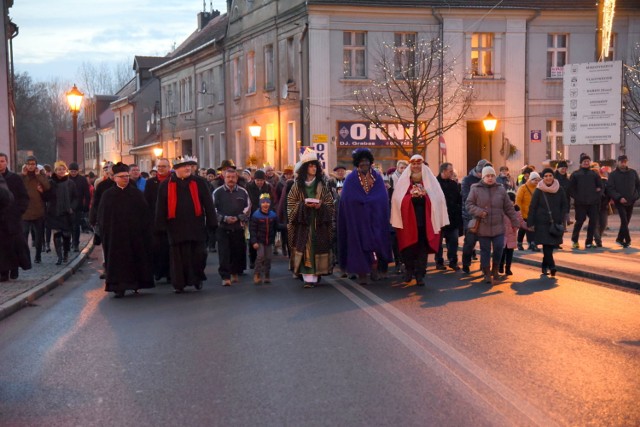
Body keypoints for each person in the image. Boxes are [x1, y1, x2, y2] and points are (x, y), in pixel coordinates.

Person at [155, 156, 218, 293]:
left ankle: (197, 278)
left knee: (199, 254)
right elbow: (161, 207)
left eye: (189, 165)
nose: (188, 168)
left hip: (196, 227)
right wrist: (160, 226)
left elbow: (208, 203)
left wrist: (212, 222)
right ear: (176, 169)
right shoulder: (166, 185)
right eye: (184, 166)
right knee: (178, 257)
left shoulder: (199, 182)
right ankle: (179, 283)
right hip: (175, 227)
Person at [98, 163, 154, 297]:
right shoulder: (108, 195)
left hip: (134, 234)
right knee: (118, 261)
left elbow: (145, 213)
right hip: (115, 235)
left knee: (136, 258)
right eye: (122, 176)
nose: (125, 179)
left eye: (127, 176)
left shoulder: (135, 193)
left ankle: (136, 283)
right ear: (115, 178)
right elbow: (103, 216)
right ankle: (118, 286)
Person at [391, 154, 449, 285]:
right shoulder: (404, 181)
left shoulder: (430, 181)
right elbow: (397, 200)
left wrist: (425, 197)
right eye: (414, 164)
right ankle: (409, 270)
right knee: (409, 248)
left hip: (424, 222)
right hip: (408, 222)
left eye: (418, 164)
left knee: (422, 249)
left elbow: (438, 198)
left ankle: (420, 274)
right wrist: (410, 198)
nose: (416, 166)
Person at [338, 148, 390, 285]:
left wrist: (370, 201)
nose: (364, 163)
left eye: (366, 161)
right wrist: (361, 202)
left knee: (375, 244)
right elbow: (346, 199)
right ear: (357, 163)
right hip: (357, 220)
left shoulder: (377, 177)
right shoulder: (350, 179)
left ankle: (374, 269)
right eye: (361, 161)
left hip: (374, 218)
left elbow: (382, 197)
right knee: (358, 246)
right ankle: (362, 273)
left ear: (370, 162)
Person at [288, 148, 335, 288]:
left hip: (319, 224)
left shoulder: (322, 185)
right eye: (310, 166)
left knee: (318, 247)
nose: (313, 168)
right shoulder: (297, 186)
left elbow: (330, 204)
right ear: (304, 169)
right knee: (305, 247)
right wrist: (303, 205)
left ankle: (317, 274)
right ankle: (306, 276)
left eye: (315, 166)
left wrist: (321, 205)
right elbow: (290, 205)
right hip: (303, 224)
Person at [465, 165, 520, 284]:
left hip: (498, 226)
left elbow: (509, 207)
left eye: (492, 176)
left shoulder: (501, 189)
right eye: (487, 176)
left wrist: (515, 221)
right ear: (483, 177)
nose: (490, 178)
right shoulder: (475, 188)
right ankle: (486, 272)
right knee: (485, 250)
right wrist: (479, 212)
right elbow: (469, 205)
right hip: (483, 226)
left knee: (499, 248)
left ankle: (495, 270)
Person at [527, 168, 569, 276]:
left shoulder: (559, 189)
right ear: (543, 178)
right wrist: (530, 223)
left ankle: (545, 264)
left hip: (555, 222)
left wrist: (562, 217)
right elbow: (533, 207)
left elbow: (565, 204)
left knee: (550, 245)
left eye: (550, 175)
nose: (548, 178)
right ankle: (552, 265)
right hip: (541, 222)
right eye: (546, 176)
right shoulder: (539, 190)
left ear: (553, 176)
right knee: (546, 244)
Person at [213, 166, 250, 286]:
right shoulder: (217, 192)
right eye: (228, 177)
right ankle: (225, 276)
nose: (231, 179)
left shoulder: (243, 191)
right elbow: (212, 209)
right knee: (224, 253)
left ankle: (234, 272)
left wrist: (239, 217)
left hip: (238, 227)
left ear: (237, 178)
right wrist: (224, 218)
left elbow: (248, 207)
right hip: (223, 227)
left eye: (233, 177)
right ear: (224, 177)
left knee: (237, 252)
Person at [0, 153, 30, 281]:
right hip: (0, 219)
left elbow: (24, 197)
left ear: (6, 162)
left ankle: (14, 268)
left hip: (13, 218)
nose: (0, 163)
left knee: (15, 245)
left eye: (2, 161)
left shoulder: (15, 178)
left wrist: (18, 211)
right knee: (2, 246)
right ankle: (3, 272)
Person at [144, 158, 172, 282]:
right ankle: (158, 271)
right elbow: (147, 201)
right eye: (159, 166)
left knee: (170, 248)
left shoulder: (173, 180)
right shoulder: (151, 182)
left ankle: (170, 272)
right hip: (155, 219)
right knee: (157, 247)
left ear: (169, 167)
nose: (161, 168)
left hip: (171, 219)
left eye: (164, 166)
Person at [461, 159, 491, 273]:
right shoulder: (467, 180)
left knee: (485, 244)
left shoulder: (490, 181)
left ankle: (484, 266)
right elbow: (466, 197)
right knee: (470, 242)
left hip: (486, 217)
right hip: (471, 216)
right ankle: (466, 264)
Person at [46, 161, 77, 265]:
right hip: (54, 212)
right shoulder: (51, 183)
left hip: (67, 212)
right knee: (57, 234)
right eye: (59, 169)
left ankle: (66, 253)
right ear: (55, 171)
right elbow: (46, 197)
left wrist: (72, 207)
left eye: (63, 169)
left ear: (66, 170)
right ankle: (59, 256)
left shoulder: (70, 183)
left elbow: (75, 197)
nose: (61, 171)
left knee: (66, 234)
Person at [569, 154, 602, 249]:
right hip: (580, 203)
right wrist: (577, 197)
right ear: (581, 163)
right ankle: (574, 240)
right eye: (584, 161)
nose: (586, 163)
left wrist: (597, 196)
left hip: (593, 203)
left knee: (593, 222)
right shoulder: (575, 174)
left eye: (588, 161)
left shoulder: (594, 174)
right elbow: (571, 189)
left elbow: (600, 187)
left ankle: (589, 242)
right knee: (579, 221)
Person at [21, 155, 50, 264]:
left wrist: (38, 176)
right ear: (26, 165)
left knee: (38, 236)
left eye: (33, 164)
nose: (31, 166)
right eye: (29, 164)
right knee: (24, 235)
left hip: (38, 211)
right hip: (25, 211)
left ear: (36, 165)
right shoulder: (22, 176)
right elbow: (18, 188)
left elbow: (47, 187)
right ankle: (25, 257)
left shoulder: (41, 175)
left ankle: (38, 255)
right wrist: (23, 175)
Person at [607, 154, 640, 248]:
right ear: (618, 162)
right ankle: (628, 240)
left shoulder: (633, 172)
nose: (623, 163)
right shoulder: (613, 174)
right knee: (624, 220)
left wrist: (636, 196)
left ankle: (619, 239)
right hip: (619, 201)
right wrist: (618, 197)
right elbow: (610, 188)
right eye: (621, 162)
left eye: (625, 161)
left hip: (631, 200)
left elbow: (638, 186)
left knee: (627, 220)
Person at [435, 162, 462, 271]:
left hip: (452, 217)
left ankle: (453, 261)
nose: (452, 173)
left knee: (453, 241)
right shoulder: (435, 183)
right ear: (443, 171)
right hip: (439, 217)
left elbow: (458, 200)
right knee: (438, 242)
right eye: (450, 171)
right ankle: (439, 261)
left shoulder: (453, 184)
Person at [246, 169, 275, 269]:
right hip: (253, 215)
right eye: (258, 180)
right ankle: (252, 259)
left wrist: (270, 212)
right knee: (253, 238)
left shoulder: (268, 187)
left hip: (265, 215)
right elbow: (249, 200)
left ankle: (263, 261)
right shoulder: (249, 187)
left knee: (263, 238)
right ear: (254, 180)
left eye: (261, 180)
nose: (259, 182)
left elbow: (272, 201)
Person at [249, 193, 278, 284]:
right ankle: (257, 274)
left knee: (268, 258)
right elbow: (252, 230)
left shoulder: (273, 215)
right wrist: (254, 242)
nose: (265, 204)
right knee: (260, 256)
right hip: (259, 240)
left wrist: (287, 226)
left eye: (267, 202)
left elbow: (277, 227)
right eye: (263, 202)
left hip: (269, 240)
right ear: (260, 204)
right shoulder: (256, 215)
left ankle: (266, 274)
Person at [499, 191, 528, 276]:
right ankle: (500, 266)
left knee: (510, 253)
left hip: (512, 235)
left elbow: (521, 221)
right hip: (502, 235)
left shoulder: (516, 210)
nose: (510, 203)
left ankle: (508, 268)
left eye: (512, 201)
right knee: (502, 252)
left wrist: (529, 227)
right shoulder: (500, 210)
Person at [67, 162, 91, 252]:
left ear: (78, 171)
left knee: (76, 226)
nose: (73, 173)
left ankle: (75, 243)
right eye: (72, 171)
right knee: (67, 226)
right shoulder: (66, 179)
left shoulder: (82, 180)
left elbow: (87, 194)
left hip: (78, 206)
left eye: (75, 171)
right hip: (67, 206)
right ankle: (67, 242)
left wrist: (86, 206)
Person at [515, 171, 541, 251]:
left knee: (532, 228)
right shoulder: (523, 187)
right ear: (530, 179)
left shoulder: (539, 188)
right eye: (535, 180)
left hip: (534, 213)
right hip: (524, 212)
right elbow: (518, 200)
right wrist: (518, 212)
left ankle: (532, 243)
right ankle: (519, 243)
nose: (536, 182)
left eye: (538, 180)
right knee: (523, 229)